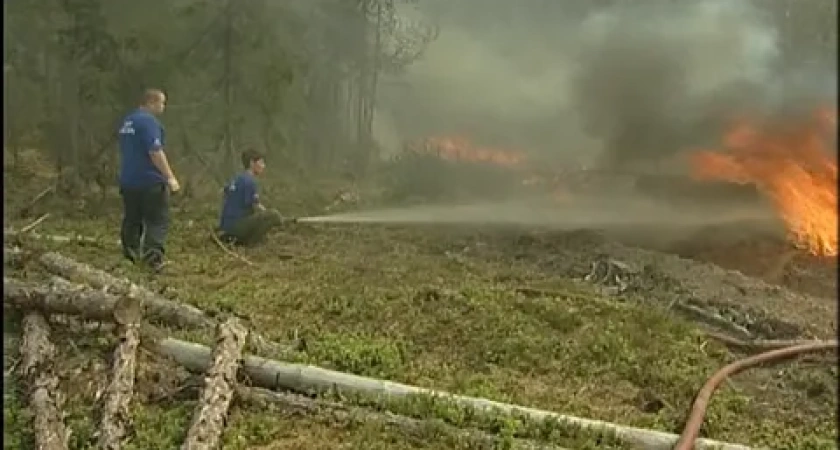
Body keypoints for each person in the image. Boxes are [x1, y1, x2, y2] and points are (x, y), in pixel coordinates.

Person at [117, 88, 180, 272]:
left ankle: (130, 256)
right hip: (150, 180)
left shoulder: (128, 121)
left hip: (129, 180)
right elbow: (155, 151)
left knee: (132, 219)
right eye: (162, 103)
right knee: (157, 221)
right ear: (151, 102)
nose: (163, 107)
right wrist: (170, 177)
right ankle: (152, 260)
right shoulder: (149, 122)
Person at [218, 150, 290, 246]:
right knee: (273, 215)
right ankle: (252, 243)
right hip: (236, 228)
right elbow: (255, 205)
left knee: (261, 217)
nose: (263, 166)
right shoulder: (249, 181)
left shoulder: (238, 178)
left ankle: (237, 238)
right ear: (252, 163)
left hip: (226, 228)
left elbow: (223, 191)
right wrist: (278, 218)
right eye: (261, 163)